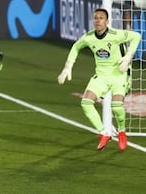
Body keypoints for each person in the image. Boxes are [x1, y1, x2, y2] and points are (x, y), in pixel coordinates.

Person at [58, 8, 141, 151]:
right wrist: (68, 65)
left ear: (107, 21)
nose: (97, 20)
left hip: (118, 76)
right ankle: (104, 133)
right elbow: (76, 46)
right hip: (101, 76)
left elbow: (136, 36)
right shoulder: (89, 37)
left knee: (116, 106)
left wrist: (128, 57)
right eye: (95, 18)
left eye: (101, 18)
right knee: (85, 103)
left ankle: (121, 131)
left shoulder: (116, 35)